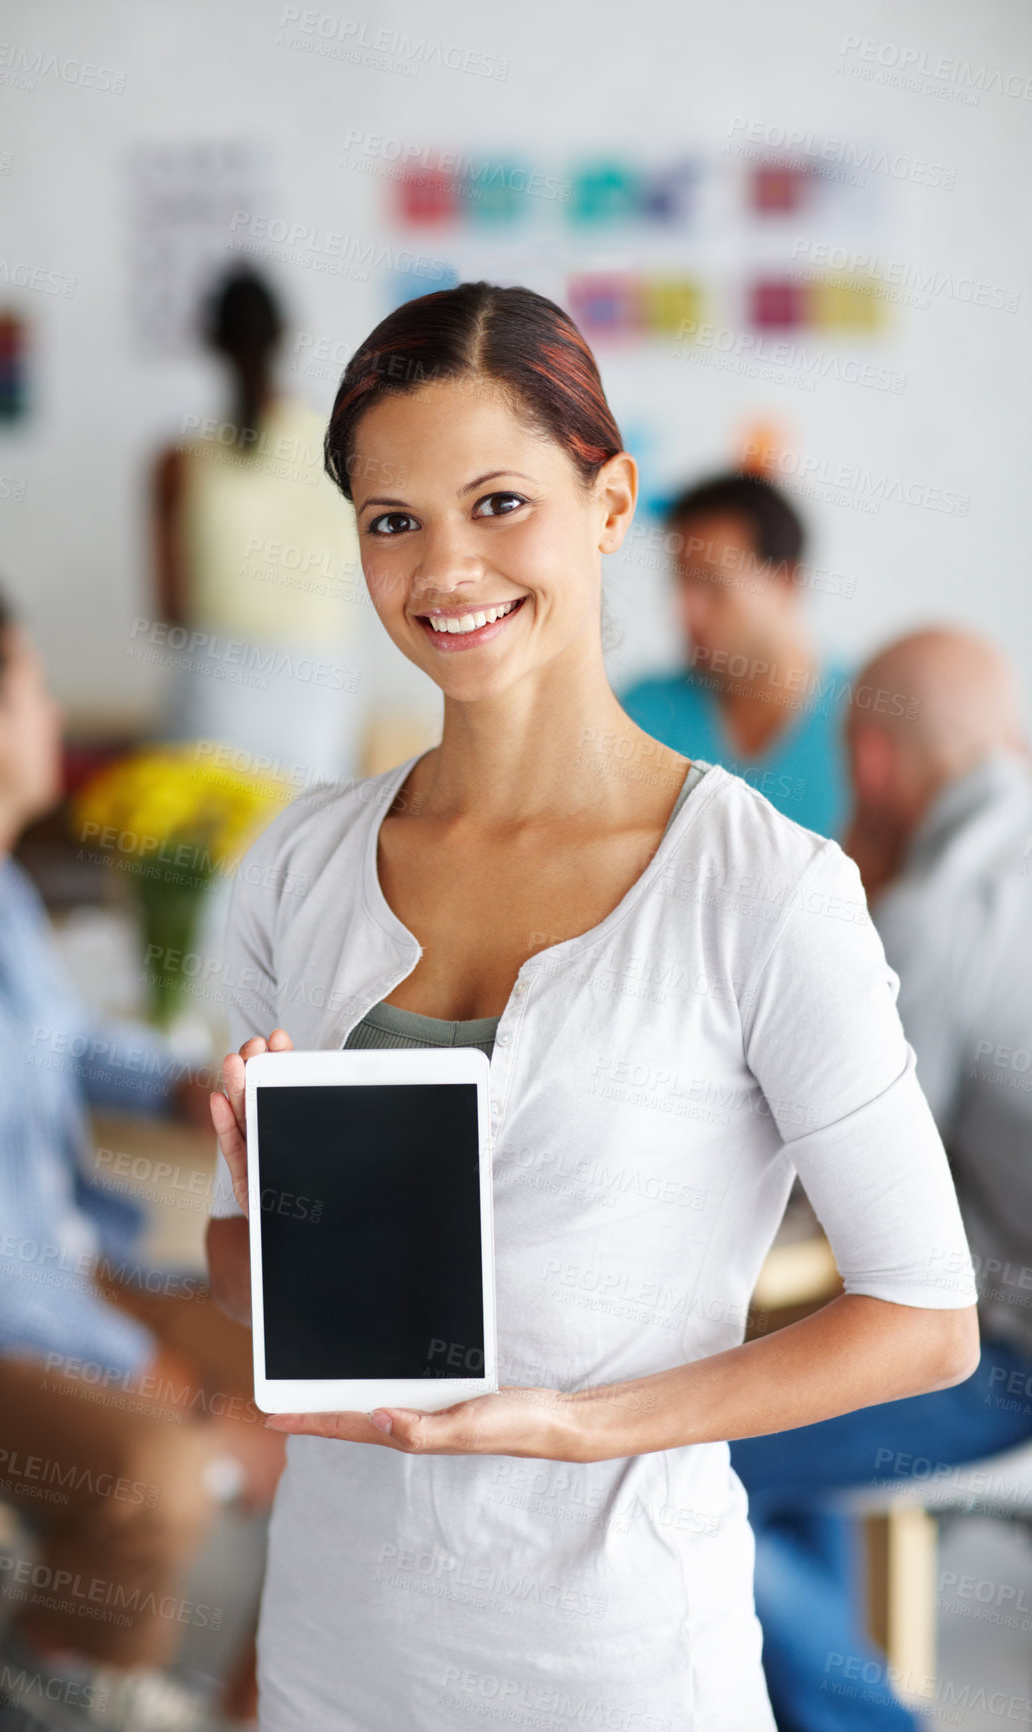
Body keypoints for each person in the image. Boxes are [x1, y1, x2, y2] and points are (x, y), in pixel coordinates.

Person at [202, 282, 979, 1731]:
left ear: (609, 501)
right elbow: (244, 1283)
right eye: (392, 520)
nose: (444, 569)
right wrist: (273, 1206)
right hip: (337, 1653)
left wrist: (578, 1426)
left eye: (499, 502)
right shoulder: (297, 867)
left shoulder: (762, 889)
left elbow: (925, 1319)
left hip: (618, 1665)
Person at [0, 582, 285, 1732]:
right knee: (155, 1469)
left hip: (61, 1271)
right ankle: (49, 1673)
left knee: (318, 1393)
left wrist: (184, 1080)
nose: (56, 714)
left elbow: (63, 1043)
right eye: (36, 687)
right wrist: (177, 1392)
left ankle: (253, 1714)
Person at [733, 628, 1032, 1731]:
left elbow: (811, 1174)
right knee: (783, 1394)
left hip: (1008, 1364)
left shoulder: (932, 917)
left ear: (865, 767)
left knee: (682, 1460)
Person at [152, 266, 369, 783]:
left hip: (215, 688)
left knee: (211, 858)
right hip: (320, 686)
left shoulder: (176, 464)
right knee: (312, 854)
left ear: (210, 341)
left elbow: (171, 610)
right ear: (285, 334)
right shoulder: (346, 451)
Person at [619, 472, 851, 838]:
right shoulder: (638, 717)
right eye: (682, 582)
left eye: (713, 586)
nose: (687, 611)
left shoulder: (866, 722)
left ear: (785, 581)